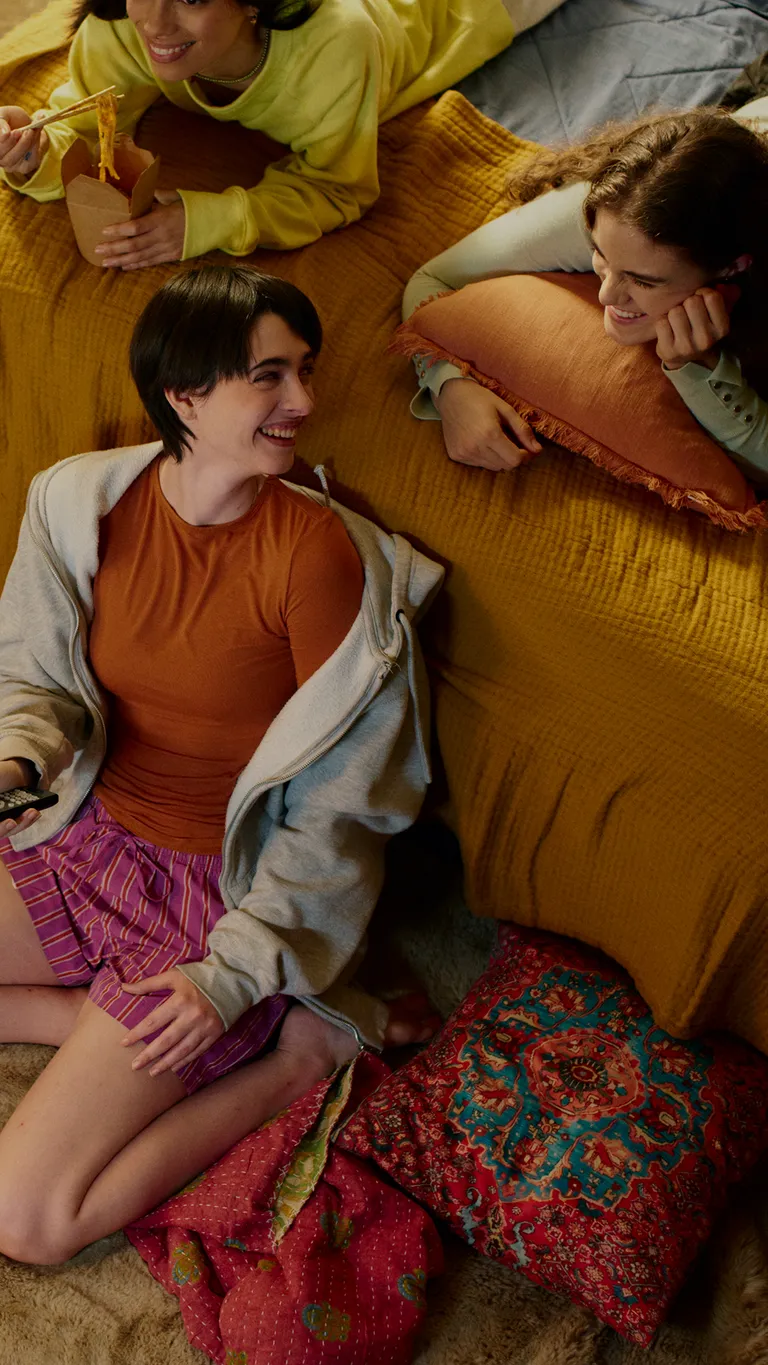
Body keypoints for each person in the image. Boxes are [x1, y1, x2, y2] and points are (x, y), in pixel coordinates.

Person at [0, 263, 443, 1265]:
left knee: (26, 1220)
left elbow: (342, 814)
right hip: (84, 842)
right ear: (185, 394)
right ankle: (90, 1014)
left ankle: (300, 1055)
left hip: (213, 907)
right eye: (269, 376)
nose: (305, 402)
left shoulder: (316, 559)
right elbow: (35, 677)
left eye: (305, 371)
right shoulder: (76, 504)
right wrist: (22, 756)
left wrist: (234, 978)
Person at [0, 0, 565, 268]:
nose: (155, 22)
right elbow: (80, 128)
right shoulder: (122, 25)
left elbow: (338, 188)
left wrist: (207, 221)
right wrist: (30, 155)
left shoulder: (335, 46)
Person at [402, 99, 768, 481]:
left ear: (733, 266)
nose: (606, 295)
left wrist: (697, 367)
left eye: (643, 281)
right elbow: (432, 280)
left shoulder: (733, 232)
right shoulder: (617, 204)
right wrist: (449, 386)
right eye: (600, 255)